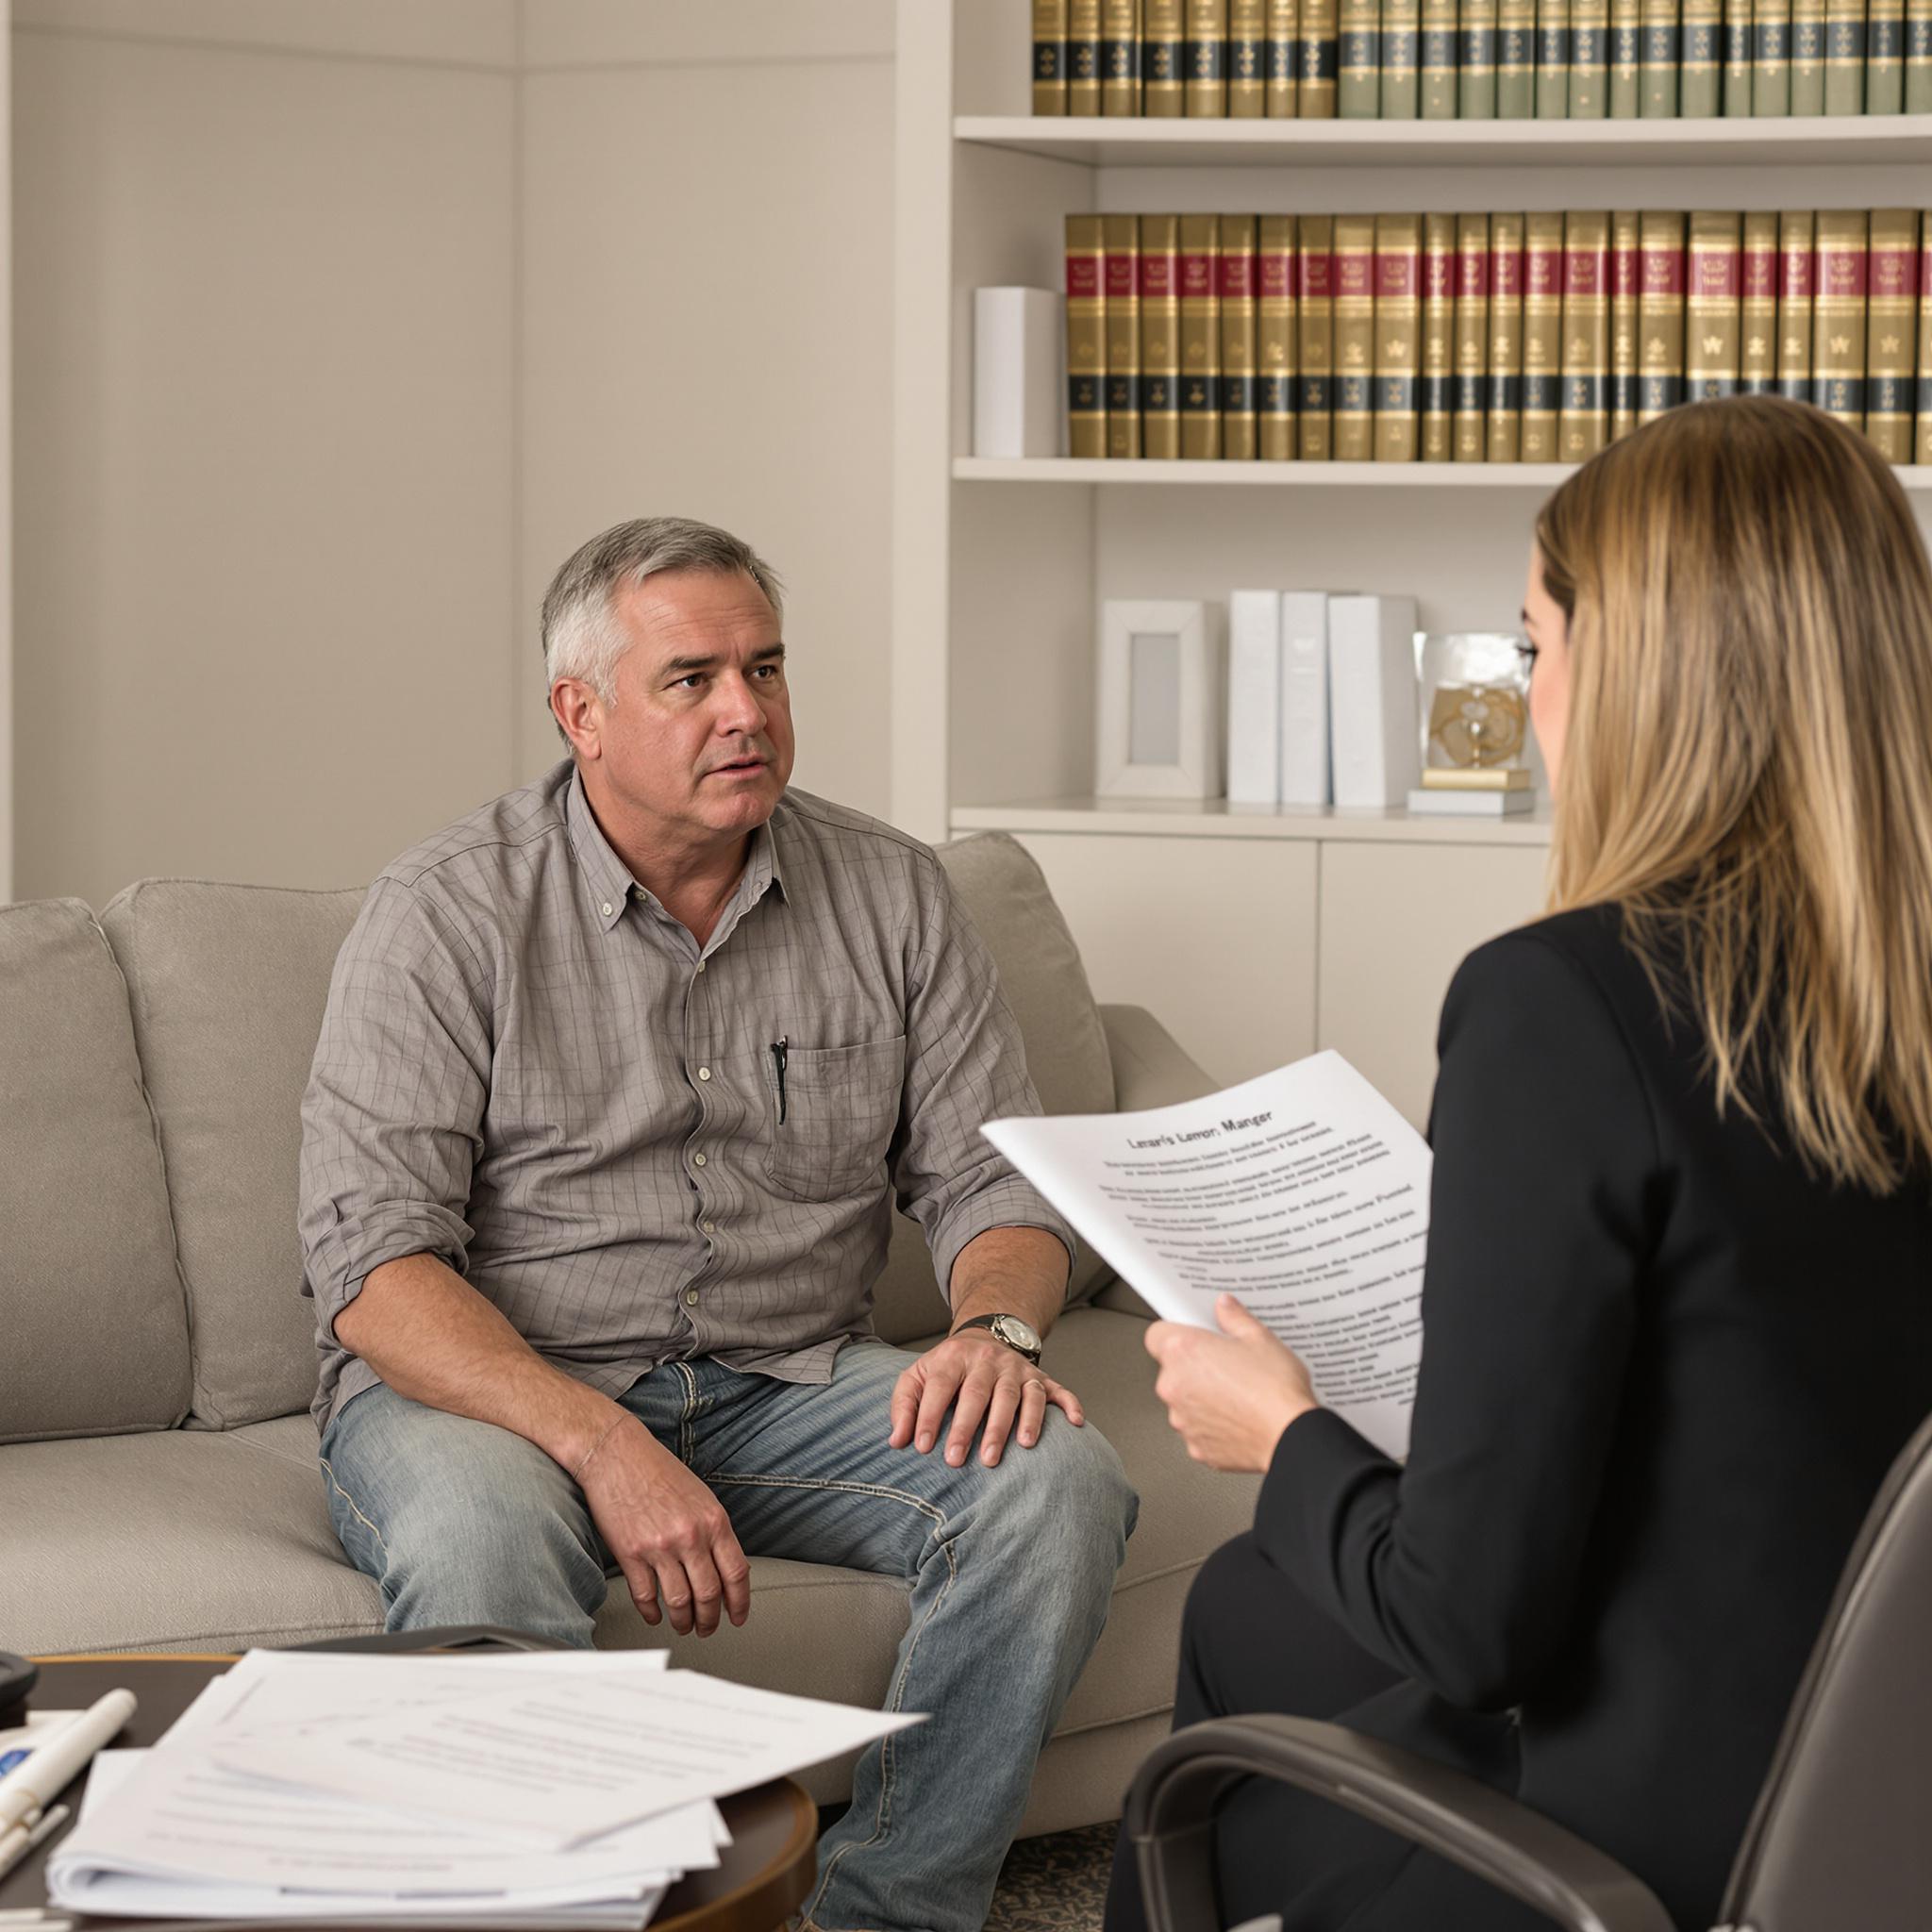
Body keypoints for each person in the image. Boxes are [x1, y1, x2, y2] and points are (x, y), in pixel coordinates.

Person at [1106, 395, 1932, 1932]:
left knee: (1249, 1668)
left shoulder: (1568, 1003)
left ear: (1642, 672)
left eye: (1535, 645)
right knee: (1246, 1603)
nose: (1529, 691)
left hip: (1653, 1840)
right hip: (1882, 1785)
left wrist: (1278, 1431)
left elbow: (1468, 1626)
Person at [298, 516, 1138, 1932]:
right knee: (483, 1551)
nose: (747, 711)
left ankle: (888, 1914)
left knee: (1058, 1480)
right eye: (692, 679)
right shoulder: (445, 912)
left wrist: (996, 1324)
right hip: (496, 1395)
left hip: (784, 1381)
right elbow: (372, 1269)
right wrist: (598, 1440)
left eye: (767, 667)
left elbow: (998, 1186)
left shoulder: (892, 895)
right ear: (582, 713)